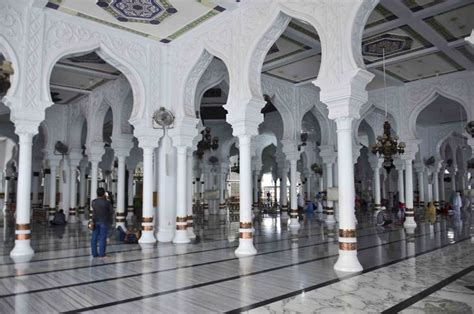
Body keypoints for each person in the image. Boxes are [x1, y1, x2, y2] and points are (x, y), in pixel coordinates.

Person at [91, 187, 113, 258]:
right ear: (103, 193)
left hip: (95, 221)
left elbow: (94, 211)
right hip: (104, 221)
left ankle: (94, 254)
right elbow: (111, 212)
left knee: (94, 238)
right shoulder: (107, 202)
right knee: (102, 238)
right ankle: (102, 254)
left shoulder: (93, 201)